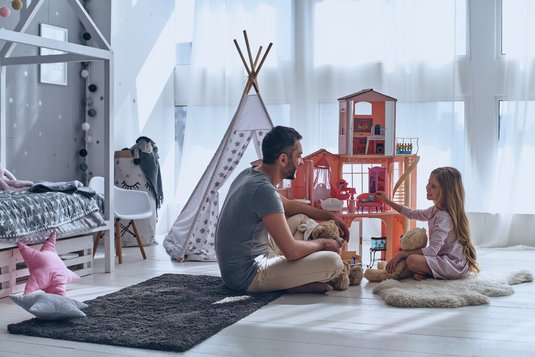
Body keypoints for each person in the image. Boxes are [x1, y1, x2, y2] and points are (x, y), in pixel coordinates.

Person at [215, 125, 350, 294]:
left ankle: (292, 277)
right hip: (246, 276)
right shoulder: (263, 190)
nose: (301, 161)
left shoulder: (250, 174)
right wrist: (322, 243)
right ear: (284, 160)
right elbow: (291, 252)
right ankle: (291, 284)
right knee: (333, 262)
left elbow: (288, 206)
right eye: (299, 156)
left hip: (240, 265)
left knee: (301, 218)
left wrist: (329, 216)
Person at [377, 166, 479, 280]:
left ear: (446, 193)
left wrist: (402, 253)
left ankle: (427, 273)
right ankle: (427, 272)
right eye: (428, 183)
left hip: (453, 265)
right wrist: (387, 201)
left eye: (433, 186)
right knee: (411, 259)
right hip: (441, 259)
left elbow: (432, 250)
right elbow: (412, 213)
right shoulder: (435, 210)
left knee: (411, 260)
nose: (427, 188)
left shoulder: (444, 217)